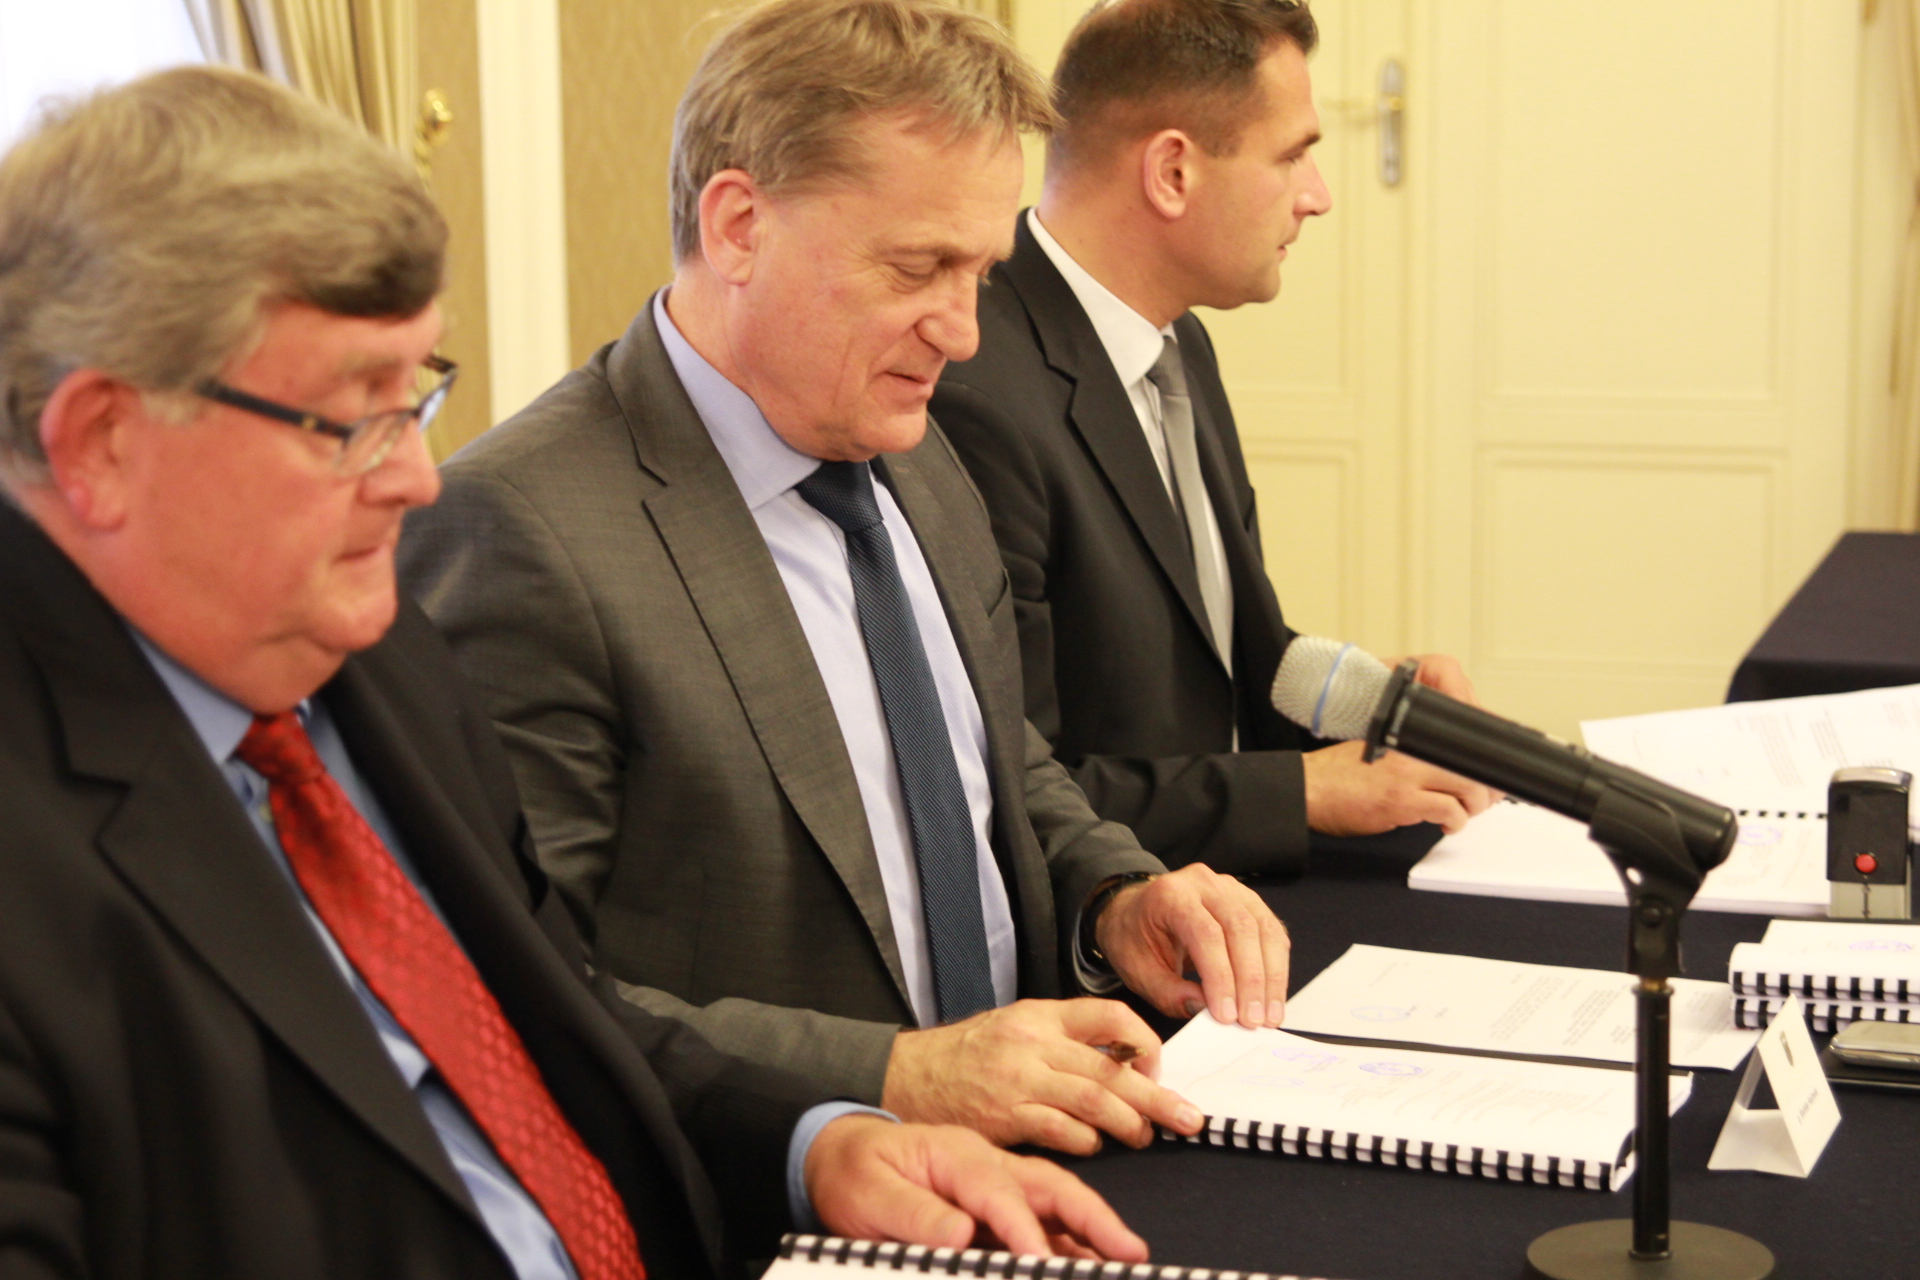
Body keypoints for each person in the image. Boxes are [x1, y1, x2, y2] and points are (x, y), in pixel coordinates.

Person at [0, 65, 1151, 1279]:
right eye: (351, 421)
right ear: (101, 442)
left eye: (415, 397)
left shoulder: (369, 663)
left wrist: (816, 1144)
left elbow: (561, 1022)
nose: (414, 478)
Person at [398, 0, 1290, 1162]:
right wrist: (899, 1076)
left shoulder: (910, 445)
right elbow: (517, 993)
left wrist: (1113, 892)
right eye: (920, 267)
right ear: (738, 227)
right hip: (777, 1199)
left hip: (1034, 1147)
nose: (964, 333)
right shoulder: (521, 529)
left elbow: (989, 753)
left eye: (981, 272)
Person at [930, 0, 1494, 878]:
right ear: (1172, 173)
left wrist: (1372, 705)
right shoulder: (973, 392)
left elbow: (1219, 666)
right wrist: (1304, 793)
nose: (1318, 196)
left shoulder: (1178, 341)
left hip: (1220, 882)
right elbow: (1010, 786)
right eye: (1293, 155)